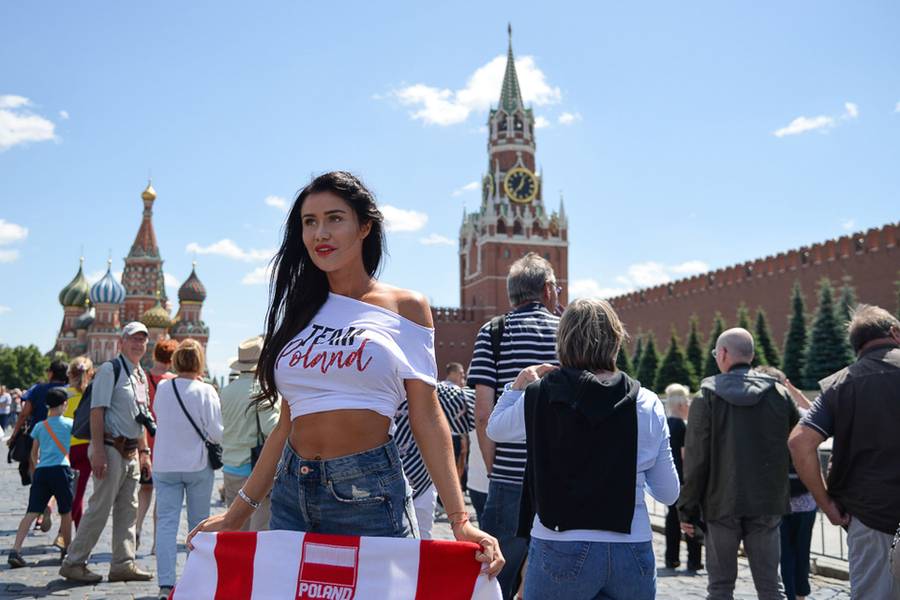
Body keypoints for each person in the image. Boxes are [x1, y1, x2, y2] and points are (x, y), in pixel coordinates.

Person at [187, 172, 502, 575]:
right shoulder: (300, 312)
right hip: (292, 493)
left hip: (369, 494)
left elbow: (426, 415)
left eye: (335, 218)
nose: (321, 232)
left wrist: (459, 520)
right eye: (310, 221)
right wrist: (235, 515)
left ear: (364, 226)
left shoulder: (405, 307)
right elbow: (285, 425)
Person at [487, 298, 680, 599]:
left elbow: (495, 429)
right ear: (616, 340)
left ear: (563, 341)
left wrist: (517, 386)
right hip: (631, 544)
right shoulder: (646, 402)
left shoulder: (540, 394)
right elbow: (668, 493)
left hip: (558, 541)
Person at [789, 304, 900, 599]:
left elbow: (799, 442)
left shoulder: (840, 384)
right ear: (894, 333)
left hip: (870, 517)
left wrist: (825, 503)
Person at [678, 327, 798, 600]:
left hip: (721, 503)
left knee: (720, 588)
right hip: (767, 501)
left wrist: (687, 509)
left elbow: (696, 461)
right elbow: (799, 440)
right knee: (771, 587)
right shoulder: (779, 394)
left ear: (722, 353)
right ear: (751, 355)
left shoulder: (706, 396)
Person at [468, 252, 561, 599]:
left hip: (509, 478)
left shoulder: (493, 332)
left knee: (495, 576)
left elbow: (483, 412)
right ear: (548, 289)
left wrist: (494, 468)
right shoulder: (566, 332)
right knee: (552, 577)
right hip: (558, 476)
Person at [59, 321, 154, 584]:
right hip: (110, 448)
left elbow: (141, 416)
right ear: (121, 342)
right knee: (99, 508)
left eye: (142, 339)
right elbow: (96, 411)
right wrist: (98, 450)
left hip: (131, 451)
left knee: (128, 510)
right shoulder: (110, 370)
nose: (138, 344)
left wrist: (144, 451)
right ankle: (74, 562)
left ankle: (123, 563)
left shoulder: (140, 374)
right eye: (133, 339)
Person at [152, 339, 223, 600]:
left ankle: (165, 584)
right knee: (199, 524)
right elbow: (216, 434)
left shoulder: (163, 387)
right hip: (197, 465)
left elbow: (158, 415)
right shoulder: (206, 391)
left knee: (166, 524)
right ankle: (195, 581)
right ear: (200, 362)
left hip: (165, 464)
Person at [755, 365, 816, 600]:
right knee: (802, 552)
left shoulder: (758, 417)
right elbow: (816, 414)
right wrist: (795, 392)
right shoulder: (799, 415)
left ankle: (790, 595)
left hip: (775, 499)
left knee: (784, 555)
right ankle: (801, 595)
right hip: (805, 496)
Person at [395, 360, 475, 538]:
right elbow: (478, 409)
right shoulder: (434, 390)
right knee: (419, 539)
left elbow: (474, 408)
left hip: (418, 477)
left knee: (419, 538)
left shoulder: (436, 391)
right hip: (406, 477)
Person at [7, 388, 74, 568]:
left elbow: (34, 452)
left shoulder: (39, 426)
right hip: (61, 469)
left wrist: (37, 468)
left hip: (42, 470)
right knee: (66, 511)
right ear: (64, 405)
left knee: (31, 512)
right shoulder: (70, 424)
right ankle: (67, 550)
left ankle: (15, 550)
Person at [220, 335, 279, 532]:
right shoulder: (262, 390)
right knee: (258, 533)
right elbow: (272, 429)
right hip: (254, 470)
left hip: (230, 466)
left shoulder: (227, 391)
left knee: (235, 530)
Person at [136, 338, 178, 550]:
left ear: (154, 355)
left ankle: (136, 529)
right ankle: (156, 542)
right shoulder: (173, 381)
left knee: (144, 490)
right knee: (162, 494)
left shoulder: (143, 378)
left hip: (145, 440)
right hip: (165, 443)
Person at [6, 361, 69, 488]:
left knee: (35, 465)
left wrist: (14, 435)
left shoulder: (38, 389)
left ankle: (38, 491)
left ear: (51, 373)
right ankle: (54, 495)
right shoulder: (70, 390)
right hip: (65, 434)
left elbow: (24, 414)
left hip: (39, 434)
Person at [663, 383, 702, 572]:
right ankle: (694, 560)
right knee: (690, 518)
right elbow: (687, 457)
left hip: (670, 478)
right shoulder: (682, 427)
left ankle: (671, 558)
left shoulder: (667, 424)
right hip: (684, 480)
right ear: (680, 405)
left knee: (672, 518)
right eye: (687, 402)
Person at [62, 357, 94, 530]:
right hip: (86, 446)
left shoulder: (63, 394)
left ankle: (69, 532)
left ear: (70, 373)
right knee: (78, 493)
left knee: (69, 492)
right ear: (90, 373)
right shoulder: (92, 394)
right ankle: (67, 532)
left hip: (64, 448)